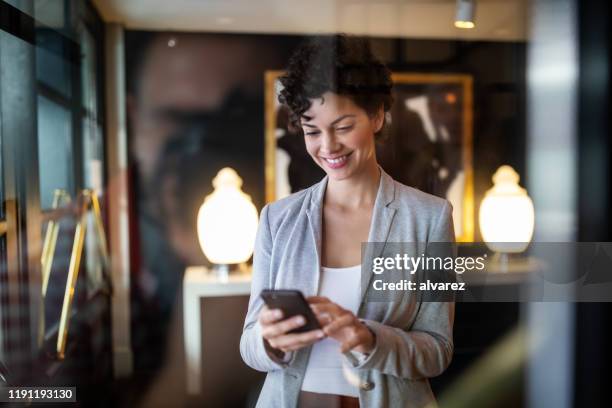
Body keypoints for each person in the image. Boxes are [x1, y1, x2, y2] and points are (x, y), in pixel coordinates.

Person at [240, 35, 456, 408]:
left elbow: (437, 350)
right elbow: (249, 344)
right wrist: (268, 341)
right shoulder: (277, 219)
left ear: (376, 116)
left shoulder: (430, 218)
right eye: (312, 131)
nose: (327, 146)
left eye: (342, 126)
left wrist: (368, 338)